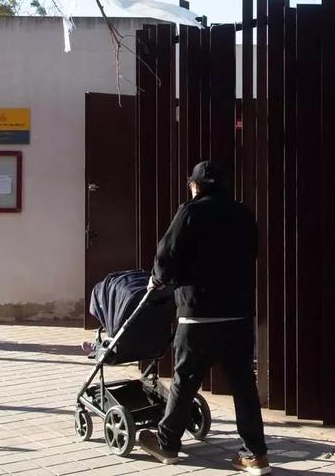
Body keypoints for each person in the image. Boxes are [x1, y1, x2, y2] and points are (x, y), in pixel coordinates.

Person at [138, 161, 269, 475]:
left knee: (185, 380)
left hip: (198, 313)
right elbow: (252, 251)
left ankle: (168, 444)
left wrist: (158, 279)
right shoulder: (243, 213)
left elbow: (167, 253)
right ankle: (255, 454)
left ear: (197, 185)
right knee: (243, 385)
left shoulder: (190, 211)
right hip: (237, 313)